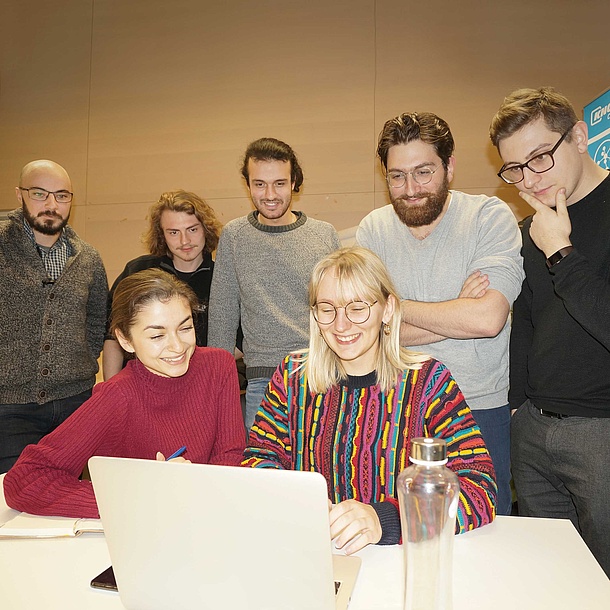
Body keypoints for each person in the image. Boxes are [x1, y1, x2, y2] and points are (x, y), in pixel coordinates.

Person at [243, 247, 497, 555]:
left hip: (401, 556)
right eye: (327, 309)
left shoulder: (428, 381)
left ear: (387, 309)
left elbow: (479, 487)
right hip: (314, 552)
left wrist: (386, 518)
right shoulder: (293, 376)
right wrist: (297, 499)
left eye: (357, 307)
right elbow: (258, 460)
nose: (341, 325)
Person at [356, 113, 524, 516]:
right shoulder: (372, 231)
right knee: (398, 531)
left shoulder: (489, 217)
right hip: (394, 407)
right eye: (397, 176)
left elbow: (486, 320)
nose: (410, 189)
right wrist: (455, 310)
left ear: (449, 166)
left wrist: (393, 308)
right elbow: (363, 330)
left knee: (484, 531)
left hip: (478, 407)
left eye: (423, 172)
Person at [3, 269, 246, 518]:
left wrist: (196, 494)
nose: (177, 346)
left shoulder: (219, 366)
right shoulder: (116, 396)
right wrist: (138, 497)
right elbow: (24, 480)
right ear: (126, 340)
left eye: (185, 328)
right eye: (157, 335)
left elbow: (230, 455)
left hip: (208, 519)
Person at [490, 87, 610, 575]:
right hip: (535, 430)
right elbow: (529, 322)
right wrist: (519, 405)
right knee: (549, 578)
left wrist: (561, 252)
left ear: (579, 136)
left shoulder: (550, 233)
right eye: (514, 169)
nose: (529, 179)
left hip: (601, 433)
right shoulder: (531, 228)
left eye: (540, 158)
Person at [208, 137, 340, 430]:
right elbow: (222, 315)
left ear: (295, 183)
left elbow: (339, 310)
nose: (269, 194)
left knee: (320, 473)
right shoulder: (234, 236)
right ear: (247, 184)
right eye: (259, 184)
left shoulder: (323, 235)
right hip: (262, 382)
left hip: (320, 376)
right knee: (264, 472)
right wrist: (216, 390)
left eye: (279, 183)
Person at [0, 160, 108, 473]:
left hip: (75, 405)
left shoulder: (87, 257)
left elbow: (97, 320)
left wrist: (77, 363)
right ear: (19, 195)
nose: (51, 204)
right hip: (10, 408)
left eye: (61, 196)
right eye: (40, 194)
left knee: (68, 497)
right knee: (13, 503)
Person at [102, 189, 223, 380]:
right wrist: (110, 390)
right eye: (174, 232)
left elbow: (239, 344)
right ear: (162, 235)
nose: (185, 241)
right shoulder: (137, 270)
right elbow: (112, 337)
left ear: (205, 229)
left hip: (201, 383)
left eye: (192, 229)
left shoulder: (223, 277)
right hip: (140, 385)